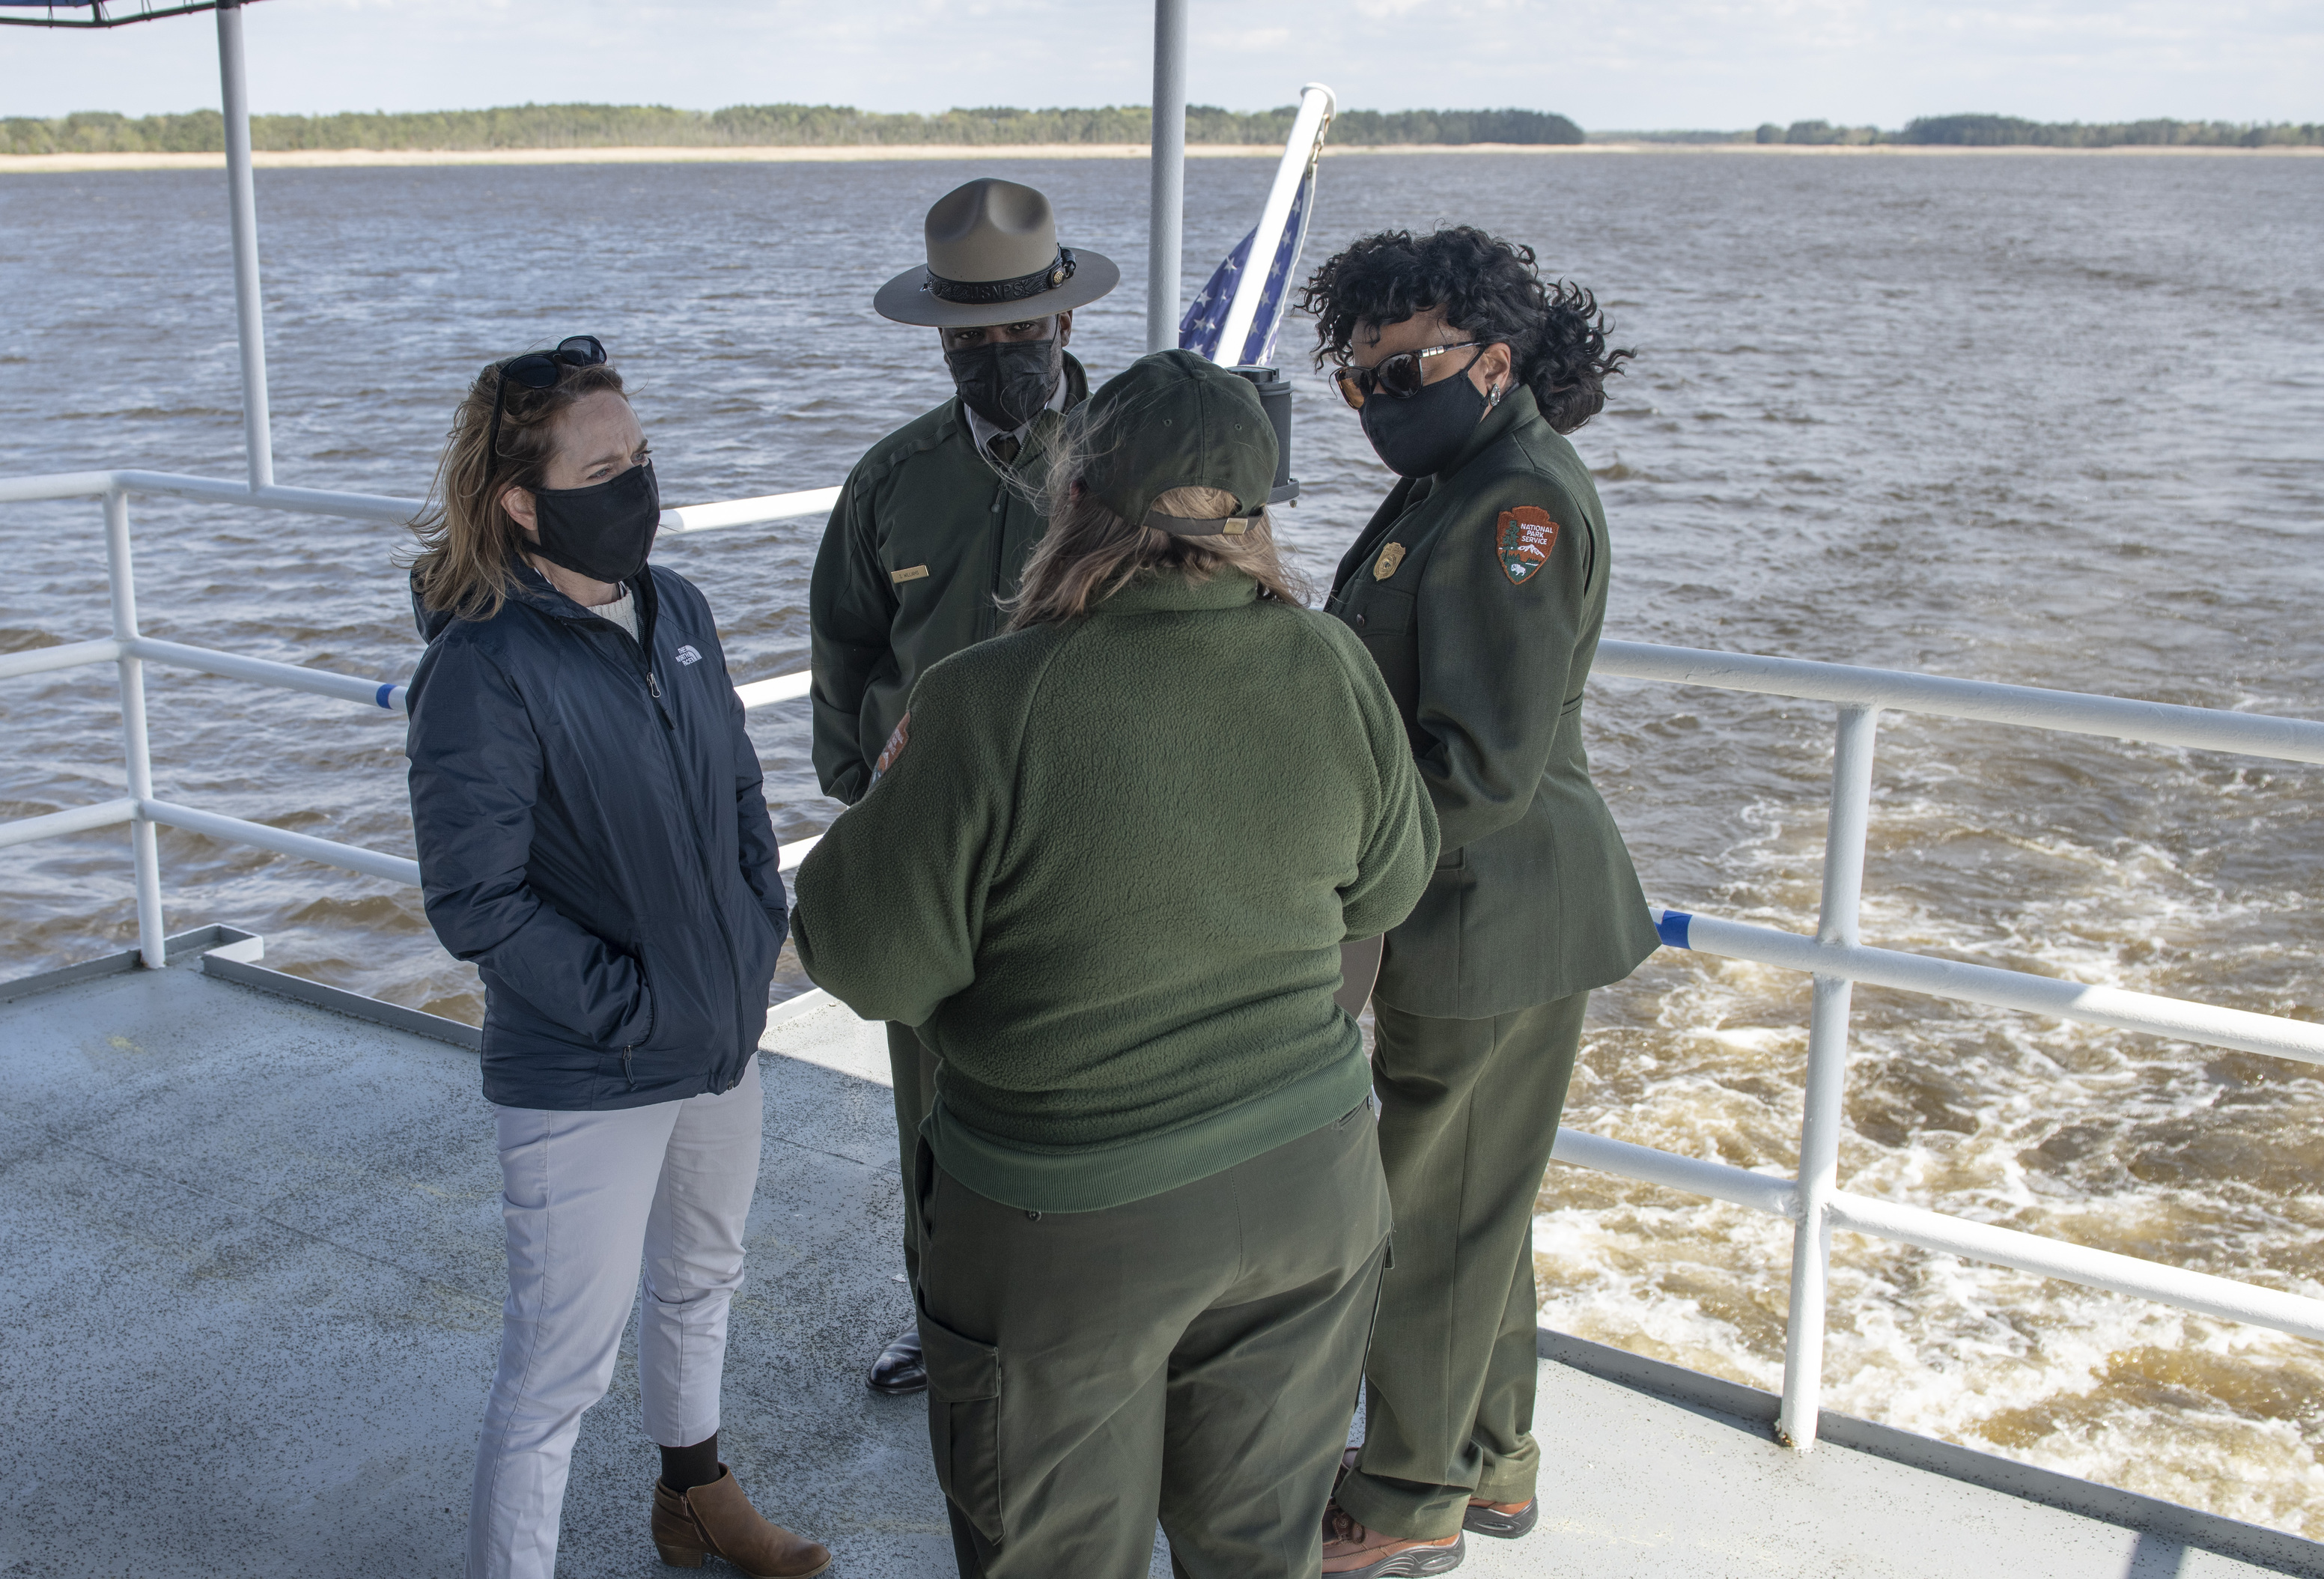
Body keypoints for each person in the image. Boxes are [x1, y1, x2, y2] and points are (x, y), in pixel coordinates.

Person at [791, 351, 1439, 1578]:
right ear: (1255, 511)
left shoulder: (987, 697)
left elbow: (866, 957)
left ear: (1072, 497)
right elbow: (1391, 884)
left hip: (1065, 1214)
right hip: (1310, 1185)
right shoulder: (1331, 662)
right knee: (1259, 1553)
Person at [403, 336, 829, 1579]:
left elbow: (742, 787)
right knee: (555, 1367)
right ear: (523, 504)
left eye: (642, 458)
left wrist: (752, 936)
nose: (636, 486)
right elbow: (475, 903)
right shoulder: (482, 667)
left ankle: (692, 1498)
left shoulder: (679, 608)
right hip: (587, 1065)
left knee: (703, 1274)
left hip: (716, 1028)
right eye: (605, 469)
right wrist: (634, 1009)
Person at [1301, 229, 1662, 1575]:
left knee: (1431, 1215)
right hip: (1469, 918)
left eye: (1411, 364)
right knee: (1478, 1203)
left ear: (1496, 361)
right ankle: (1493, 1463)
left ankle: (1404, 1502)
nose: (1383, 394)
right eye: (1361, 375)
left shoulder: (1521, 505)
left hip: (1490, 916)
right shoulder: (1451, 480)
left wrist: (1327, 874)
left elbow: (1483, 770)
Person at [809, 175, 1118, 1396]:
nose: (999, 358)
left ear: (1066, 326)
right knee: (931, 1097)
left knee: (1086, 1084)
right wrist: (862, 798)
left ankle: (1092, 1324)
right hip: (933, 845)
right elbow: (845, 644)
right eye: (972, 339)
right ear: (941, 340)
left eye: (1020, 333)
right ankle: (944, 1316)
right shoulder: (893, 480)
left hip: (1094, 837)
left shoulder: (1137, 462)